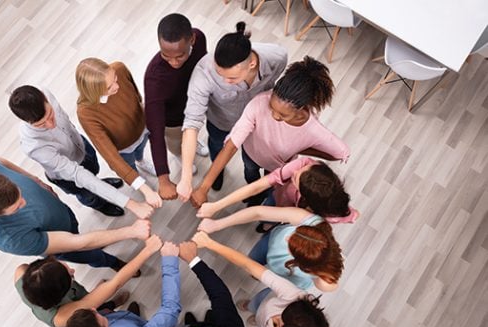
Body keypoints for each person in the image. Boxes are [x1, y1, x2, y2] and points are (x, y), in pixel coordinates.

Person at [190, 56, 350, 208]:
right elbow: (231, 145)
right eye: (272, 108)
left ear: (301, 109)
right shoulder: (259, 103)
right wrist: (204, 187)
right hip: (250, 155)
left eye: (282, 115)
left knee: (269, 188)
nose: (274, 115)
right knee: (250, 174)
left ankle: (260, 196)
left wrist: (301, 148)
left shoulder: (314, 130)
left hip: (276, 167)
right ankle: (253, 195)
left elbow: (340, 153)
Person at [192, 231, 335, 327]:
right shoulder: (294, 295)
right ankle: (250, 308)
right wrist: (210, 244)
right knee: (254, 304)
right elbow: (249, 265)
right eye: (283, 314)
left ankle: (254, 317)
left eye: (278, 326)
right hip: (263, 301)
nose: (275, 318)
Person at [0, 157, 150, 270]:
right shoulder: (10, 238)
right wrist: (131, 231)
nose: (25, 202)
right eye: (17, 207)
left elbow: (0, 160)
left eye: (20, 194)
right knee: (89, 254)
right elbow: (79, 243)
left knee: (78, 232)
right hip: (62, 244)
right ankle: (113, 264)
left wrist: (35, 180)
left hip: (62, 216)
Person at [176, 21, 288, 201]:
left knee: (251, 158)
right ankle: (217, 171)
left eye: (232, 78)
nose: (225, 81)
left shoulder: (277, 57)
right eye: (221, 75)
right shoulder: (203, 74)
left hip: (256, 122)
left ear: (252, 64)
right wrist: (186, 176)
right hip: (221, 122)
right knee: (216, 145)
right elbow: (191, 124)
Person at [48, 236, 182, 327]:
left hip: (122, 324)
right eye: (98, 316)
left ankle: (129, 318)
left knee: (117, 316)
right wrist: (170, 260)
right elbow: (170, 309)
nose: (94, 309)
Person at [9, 85, 153, 219]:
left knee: (94, 171)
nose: (51, 125)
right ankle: (101, 205)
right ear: (27, 122)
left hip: (81, 147)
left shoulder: (44, 92)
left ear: (45, 97)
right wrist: (131, 204)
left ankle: (100, 183)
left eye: (50, 115)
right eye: (41, 125)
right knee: (88, 194)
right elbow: (79, 175)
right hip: (67, 176)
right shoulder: (34, 146)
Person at [76, 58, 162, 209]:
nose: (117, 86)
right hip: (123, 149)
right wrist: (145, 189)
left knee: (140, 150)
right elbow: (111, 157)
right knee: (128, 164)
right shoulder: (86, 113)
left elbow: (136, 94)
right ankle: (137, 176)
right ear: (94, 92)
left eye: (115, 78)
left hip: (141, 129)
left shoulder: (120, 68)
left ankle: (141, 162)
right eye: (109, 87)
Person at [198, 206, 343, 292]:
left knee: (257, 272)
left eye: (291, 244)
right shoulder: (311, 221)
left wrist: (209, 243)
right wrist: (217, 224)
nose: (286, 238)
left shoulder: (321, 279)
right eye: (295, 232)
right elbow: (259, 212)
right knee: (254, 258)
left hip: (282, 276)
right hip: (269, 243)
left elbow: (248, 266)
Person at [144, 13, 209, 200]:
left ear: (192, 40)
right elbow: (155, 131)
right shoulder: (154, 78)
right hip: (173, 121)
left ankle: (192, 144)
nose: (173, 62)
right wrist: (163, 179)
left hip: (197, 105)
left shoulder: (200, 38)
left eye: (179, 56)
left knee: (192, 133)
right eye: (166, 56)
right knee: (176, 143)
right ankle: (181, 155)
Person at [198, 157, 359, 229]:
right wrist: (217, 205)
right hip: (278, 198)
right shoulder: (305, 164)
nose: (295, 172)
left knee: (270, 222)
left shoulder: (322, 217)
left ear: (306, 198)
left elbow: (258, 213)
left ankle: (269, 226)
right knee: (268, 209)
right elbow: (257, 187)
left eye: (296, 179)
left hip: (290, 218)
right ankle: (268, 225)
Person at [14, 248, 149, 327]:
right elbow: (115, 284)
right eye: (69, 275)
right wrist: (148, 250)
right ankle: (121, 313)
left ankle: (103, 300)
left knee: (95, 300)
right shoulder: (62, 317)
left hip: (78, 300)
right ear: (60, 293)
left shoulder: (22, 272)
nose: (73, 270)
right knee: (102, 315)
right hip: (82, 317)